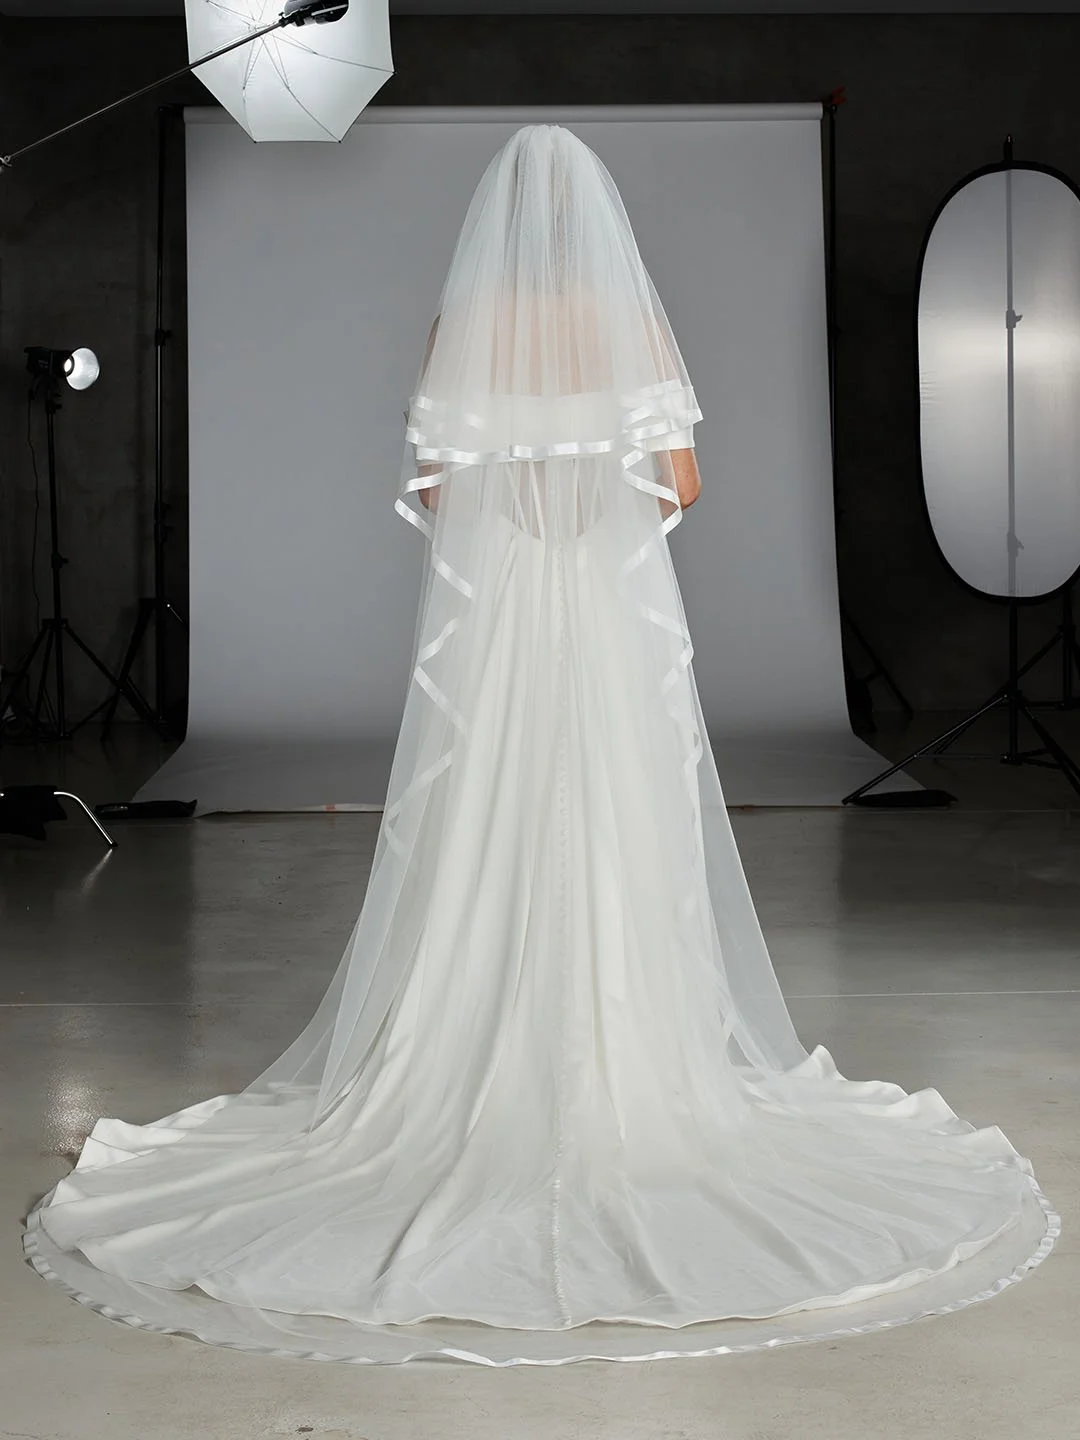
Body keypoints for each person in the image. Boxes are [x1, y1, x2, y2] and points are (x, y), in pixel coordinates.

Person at [24, 124, 1057, 1367]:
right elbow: (679, 485)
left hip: (508, 619)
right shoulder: (632, 325)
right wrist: (592, 497)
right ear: (597, 221)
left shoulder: (466, 327)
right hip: (605, 625)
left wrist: (524, 488)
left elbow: (442, 493)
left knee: (492, 813)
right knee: (616, 816)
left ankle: (470, 1047)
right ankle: (630, 1058)